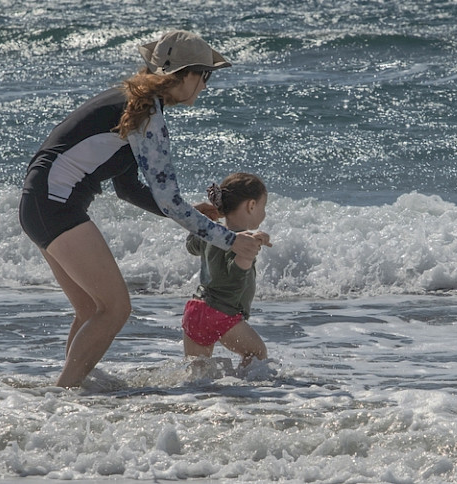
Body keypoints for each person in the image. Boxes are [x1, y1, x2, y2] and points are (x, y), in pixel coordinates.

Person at [19, 30, 270, 387]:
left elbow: (128, 188)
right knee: (116, 309)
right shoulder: (148, 115)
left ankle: (70, 391)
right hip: (54, 205)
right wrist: (230, 240)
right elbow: (169, 200)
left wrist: (188, 211)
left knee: (91, 309)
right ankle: (65, 392)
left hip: (40, 203)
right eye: (205, 75)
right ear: (183, 75)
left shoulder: (133, 103)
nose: (205, 85)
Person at [182, 172, 270, 369]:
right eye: (263, 207)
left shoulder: (211, 232)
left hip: (195, 310)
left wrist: (200, 221)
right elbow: (235, 277)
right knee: (256, 354)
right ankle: (243, 388)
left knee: (198, 373)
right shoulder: (244, 242)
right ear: (251, 205)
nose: (263, 213)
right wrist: (246, 256)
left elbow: (191, 246)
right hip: (222, 313)